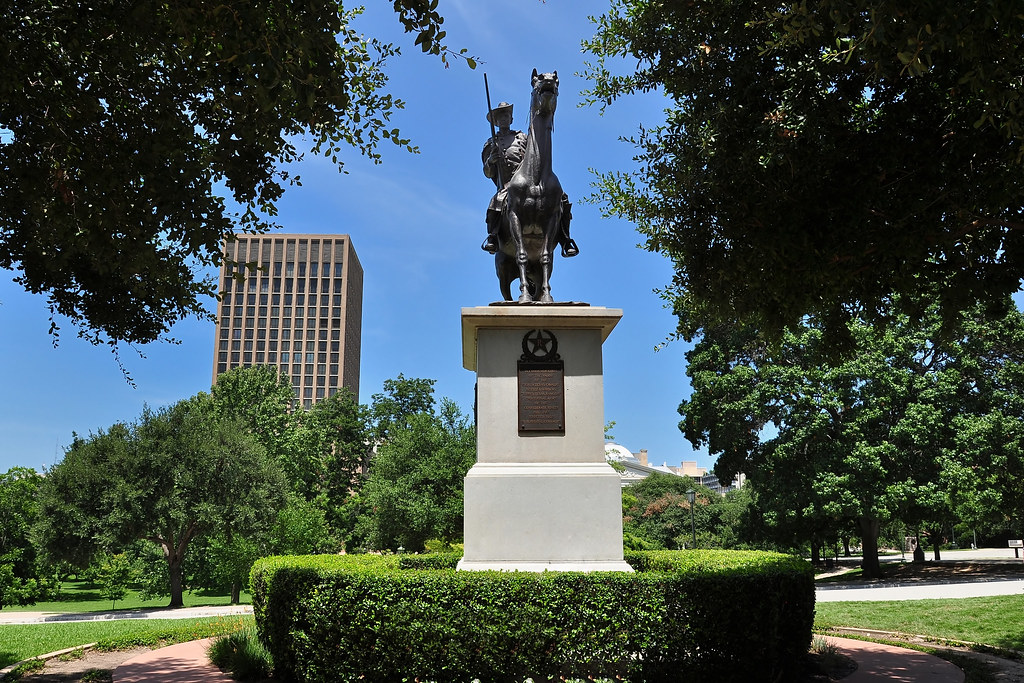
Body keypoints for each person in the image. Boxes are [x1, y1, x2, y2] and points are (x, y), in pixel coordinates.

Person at [481, 102, 578, 257]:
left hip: (529, 179)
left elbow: (535, 157)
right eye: (500, 116)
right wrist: (491, 160)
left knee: (562, 198)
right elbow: (487, 172)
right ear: (496, 121)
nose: (504, 119)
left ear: (511, 118)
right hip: (508, 184)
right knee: (496, 202)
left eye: (506, 115)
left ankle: (565, 239)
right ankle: (492, 236)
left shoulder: (522, 138)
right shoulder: (491, 143)